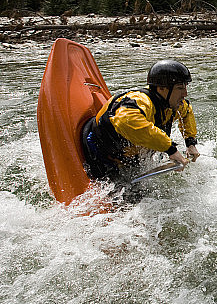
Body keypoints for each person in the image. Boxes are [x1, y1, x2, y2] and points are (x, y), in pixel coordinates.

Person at [81, 59, 200, 201]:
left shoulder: (173, 104)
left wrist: (190, 143)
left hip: (129, 156)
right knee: (125, 199)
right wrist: (171, 150)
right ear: (162, 88)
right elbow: (127, 121)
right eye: (180, 88)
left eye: (185, 87)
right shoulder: (142, 101)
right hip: (100, 153)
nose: (185, 93)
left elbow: (187, 112)